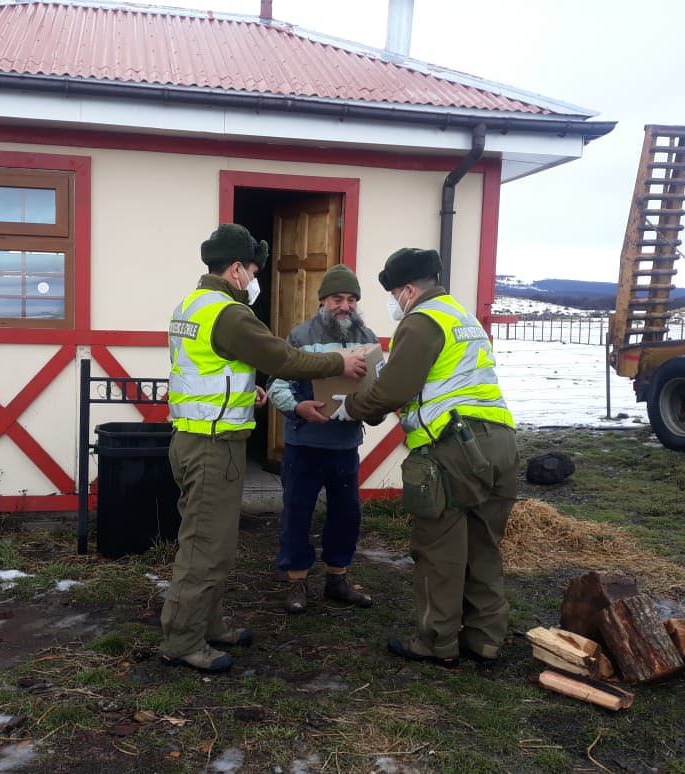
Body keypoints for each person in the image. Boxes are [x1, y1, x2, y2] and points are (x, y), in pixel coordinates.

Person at [161, 223, 368, 674]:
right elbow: (282, 358)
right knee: (205, 548)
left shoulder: (190, 305)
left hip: (193, 436)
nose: (255, 279)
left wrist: (243, 392)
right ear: (236, 268)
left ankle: (208, 624)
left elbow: (203, 370)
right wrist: (339, 361)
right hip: (214, 446)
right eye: (254, 269)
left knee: (212, 541)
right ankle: (182, 639)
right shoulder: (229, 313)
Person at [337, 248, 518, 668]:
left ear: (408, 289)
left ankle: (437, 642)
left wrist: (350, 408)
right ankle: (487, 639)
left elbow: (392, 390)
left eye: (394, 292)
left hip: (454, 448)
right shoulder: (462, 317)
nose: (394, 301)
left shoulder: (421, 322)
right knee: (484, 547)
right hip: (501, 442)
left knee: (439, 548)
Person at [266, 264, 379, 615]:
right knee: (297, 513)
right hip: (304, 444)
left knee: (347, 515)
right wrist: (298, 408)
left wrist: (376, 407)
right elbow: (276, 384)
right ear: (322, 302)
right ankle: (296, 582)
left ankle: (337, 580)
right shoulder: (300, 336)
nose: (344, 306)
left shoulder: (367, 337)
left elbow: (378, 383)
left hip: (346, 445)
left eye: (350, 299)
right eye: (336, 299)